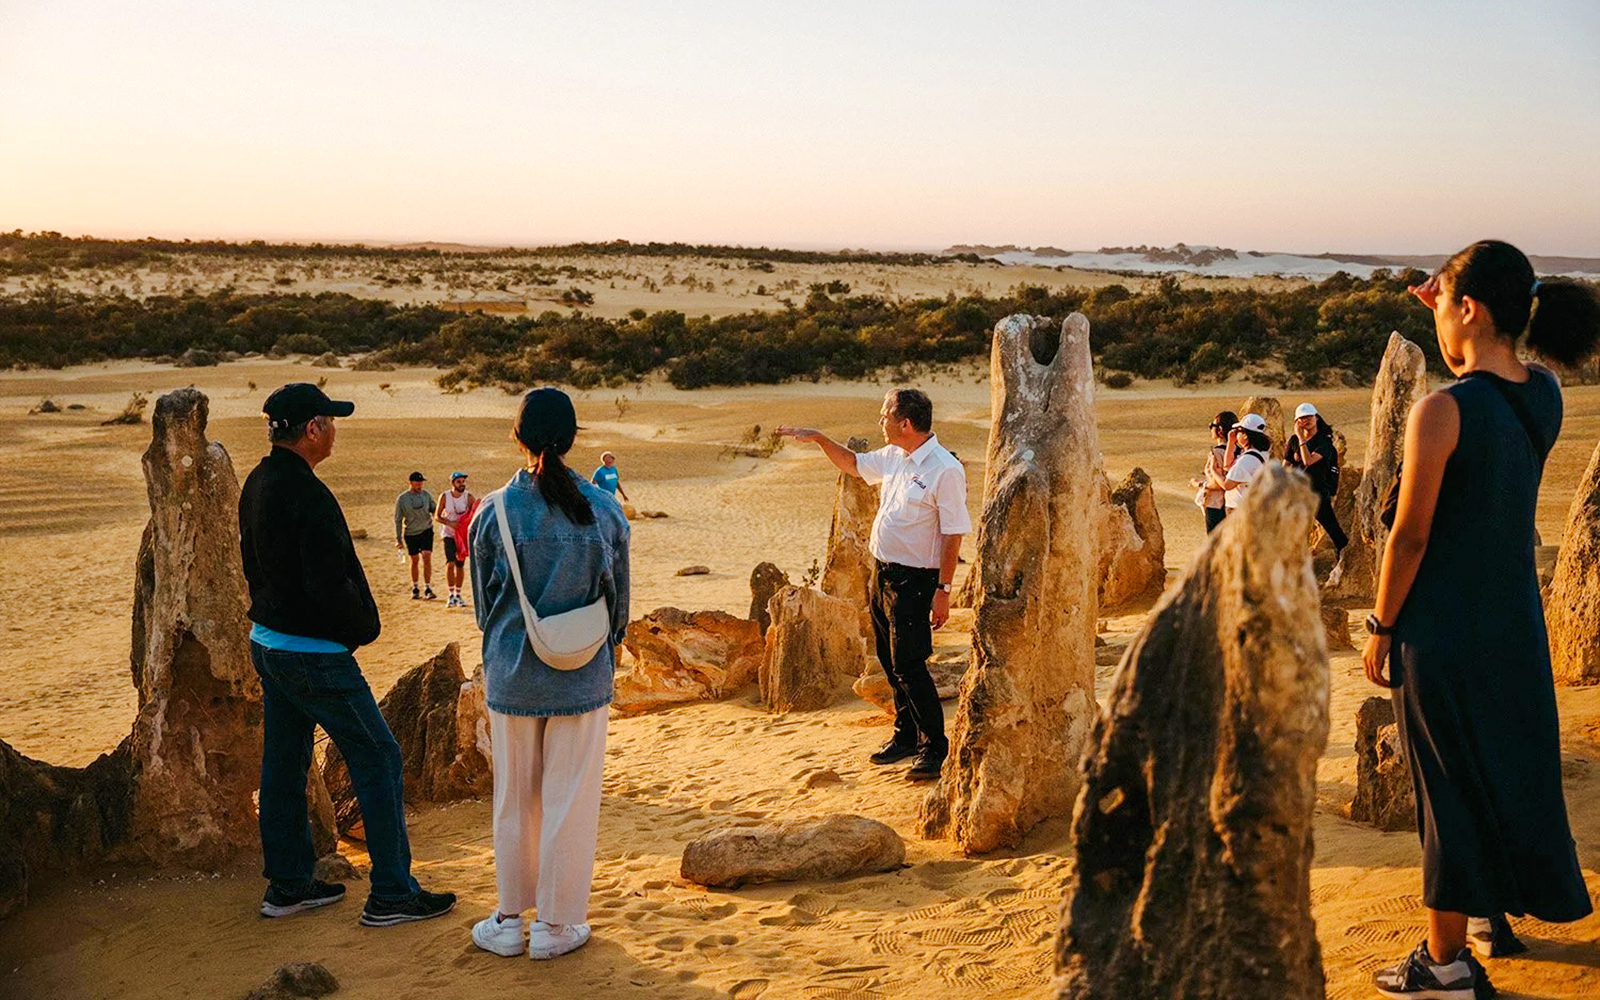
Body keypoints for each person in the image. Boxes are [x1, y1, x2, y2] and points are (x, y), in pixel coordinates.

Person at [1363, 240, 1599, 1000]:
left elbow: (1411, 534)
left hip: (1441, 629)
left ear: (1468, 308)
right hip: (1512, 626)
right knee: (1500, 766)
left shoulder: (1440, 411)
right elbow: (1499, 381)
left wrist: (1378, 624)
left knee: (1447, 787)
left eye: (1449, 302)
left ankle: (1445, 965)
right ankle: (1492, 917)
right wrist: (1454, 310)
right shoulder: (1548, 393)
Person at [238, 383, 456, 927]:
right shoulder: (307, 494)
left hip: (269, 644)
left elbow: (255, 564)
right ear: (312, 429)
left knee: (284, 763)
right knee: (378, 756)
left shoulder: (258, 481)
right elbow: (329, 582)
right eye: (330, 421)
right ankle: (391, 892)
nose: (335, 430)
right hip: (313, 654)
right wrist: (359, 631)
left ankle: (288, 885)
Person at [468, 388, 630, 961]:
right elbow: (619, 606)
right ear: (572, 439)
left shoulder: (494, 510)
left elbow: (484, 608)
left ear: (518, 437)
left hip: (512, 673)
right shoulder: (604, 509)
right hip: (582, 674)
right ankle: (556, 927)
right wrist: (599, 649)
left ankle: (510, 919)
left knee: (514, 798)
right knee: (570, 800)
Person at [777, 388, 971, 782]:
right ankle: (905, 734)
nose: (880, 422)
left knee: (910, 665)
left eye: (885, 416)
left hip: (917, 581)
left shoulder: (943, 469)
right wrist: (818, 439)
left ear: (906, 423)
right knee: (888, 659)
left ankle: (935, 747)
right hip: (883, 574)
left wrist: (944, 591)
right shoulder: (895, 457)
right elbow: (852, 463)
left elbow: (953, 534)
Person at [1284, 402, 1348, 552]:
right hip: (1297, 492)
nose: (1305, 420)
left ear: (1316, 417)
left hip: (1317, 492)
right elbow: (1286, 465)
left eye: (1309, 417)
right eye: (1301, 418)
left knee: (1332, 528)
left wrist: (1301, 439)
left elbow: (1308, 461)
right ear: (1296, 422)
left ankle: (1345, 555)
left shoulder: (1324, 441)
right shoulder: (1293, 440)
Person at [435, 471, 477, 608]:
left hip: (462, 536)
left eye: (463, 481)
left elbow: (475, 514)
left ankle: (458, 595)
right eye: (459, 482)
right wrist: (449, 523)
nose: (462, 484)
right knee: (450, 563)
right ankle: (450, 594)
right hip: (448, 534)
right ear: (452, 483)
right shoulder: (445, 497)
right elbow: (437, 516)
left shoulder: (469, 497)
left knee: (460, 565)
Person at [1191, 409, 1236, 533]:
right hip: (1234, 504)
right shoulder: (1239, 451)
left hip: (1217, 504)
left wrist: (1199, 484)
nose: (1211, 429)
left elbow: (1218, 484)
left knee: (1216, 546)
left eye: (1212, 426)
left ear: (1220, 430)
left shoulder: (1217, 453)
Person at [395, 472, 436, 600]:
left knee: (426, 556)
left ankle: (428, 587)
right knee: (414, 560)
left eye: (421, 482)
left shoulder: (426, 495)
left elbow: (435, 509)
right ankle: (415, 587)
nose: (420, 484)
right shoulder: (402, 499)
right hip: (411, 533)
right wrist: (398, 538)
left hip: (426, 530)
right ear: (411, 483)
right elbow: (398, 519)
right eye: (417, 482)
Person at [1222, 413, 1271, 511]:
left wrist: (1213, 471)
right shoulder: (1259, 454)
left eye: (1238, 432)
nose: (1236, 435)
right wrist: (1231, 443)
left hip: (1240, 508)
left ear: (1245, 436)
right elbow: (1228, 466)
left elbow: (1227, 485)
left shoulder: (1247, 459)